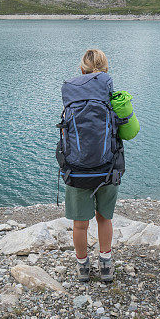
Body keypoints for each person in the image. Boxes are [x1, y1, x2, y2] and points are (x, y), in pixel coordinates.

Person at [56, 49, 125, 283]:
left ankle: (83, 267)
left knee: (80, 224)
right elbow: (130, 132)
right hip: (108, 167)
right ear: (106, 70)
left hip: (76, 170)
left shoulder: (71, 96)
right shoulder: (113, 99)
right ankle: (105, 265)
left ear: (81, 70)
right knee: (104, 218)